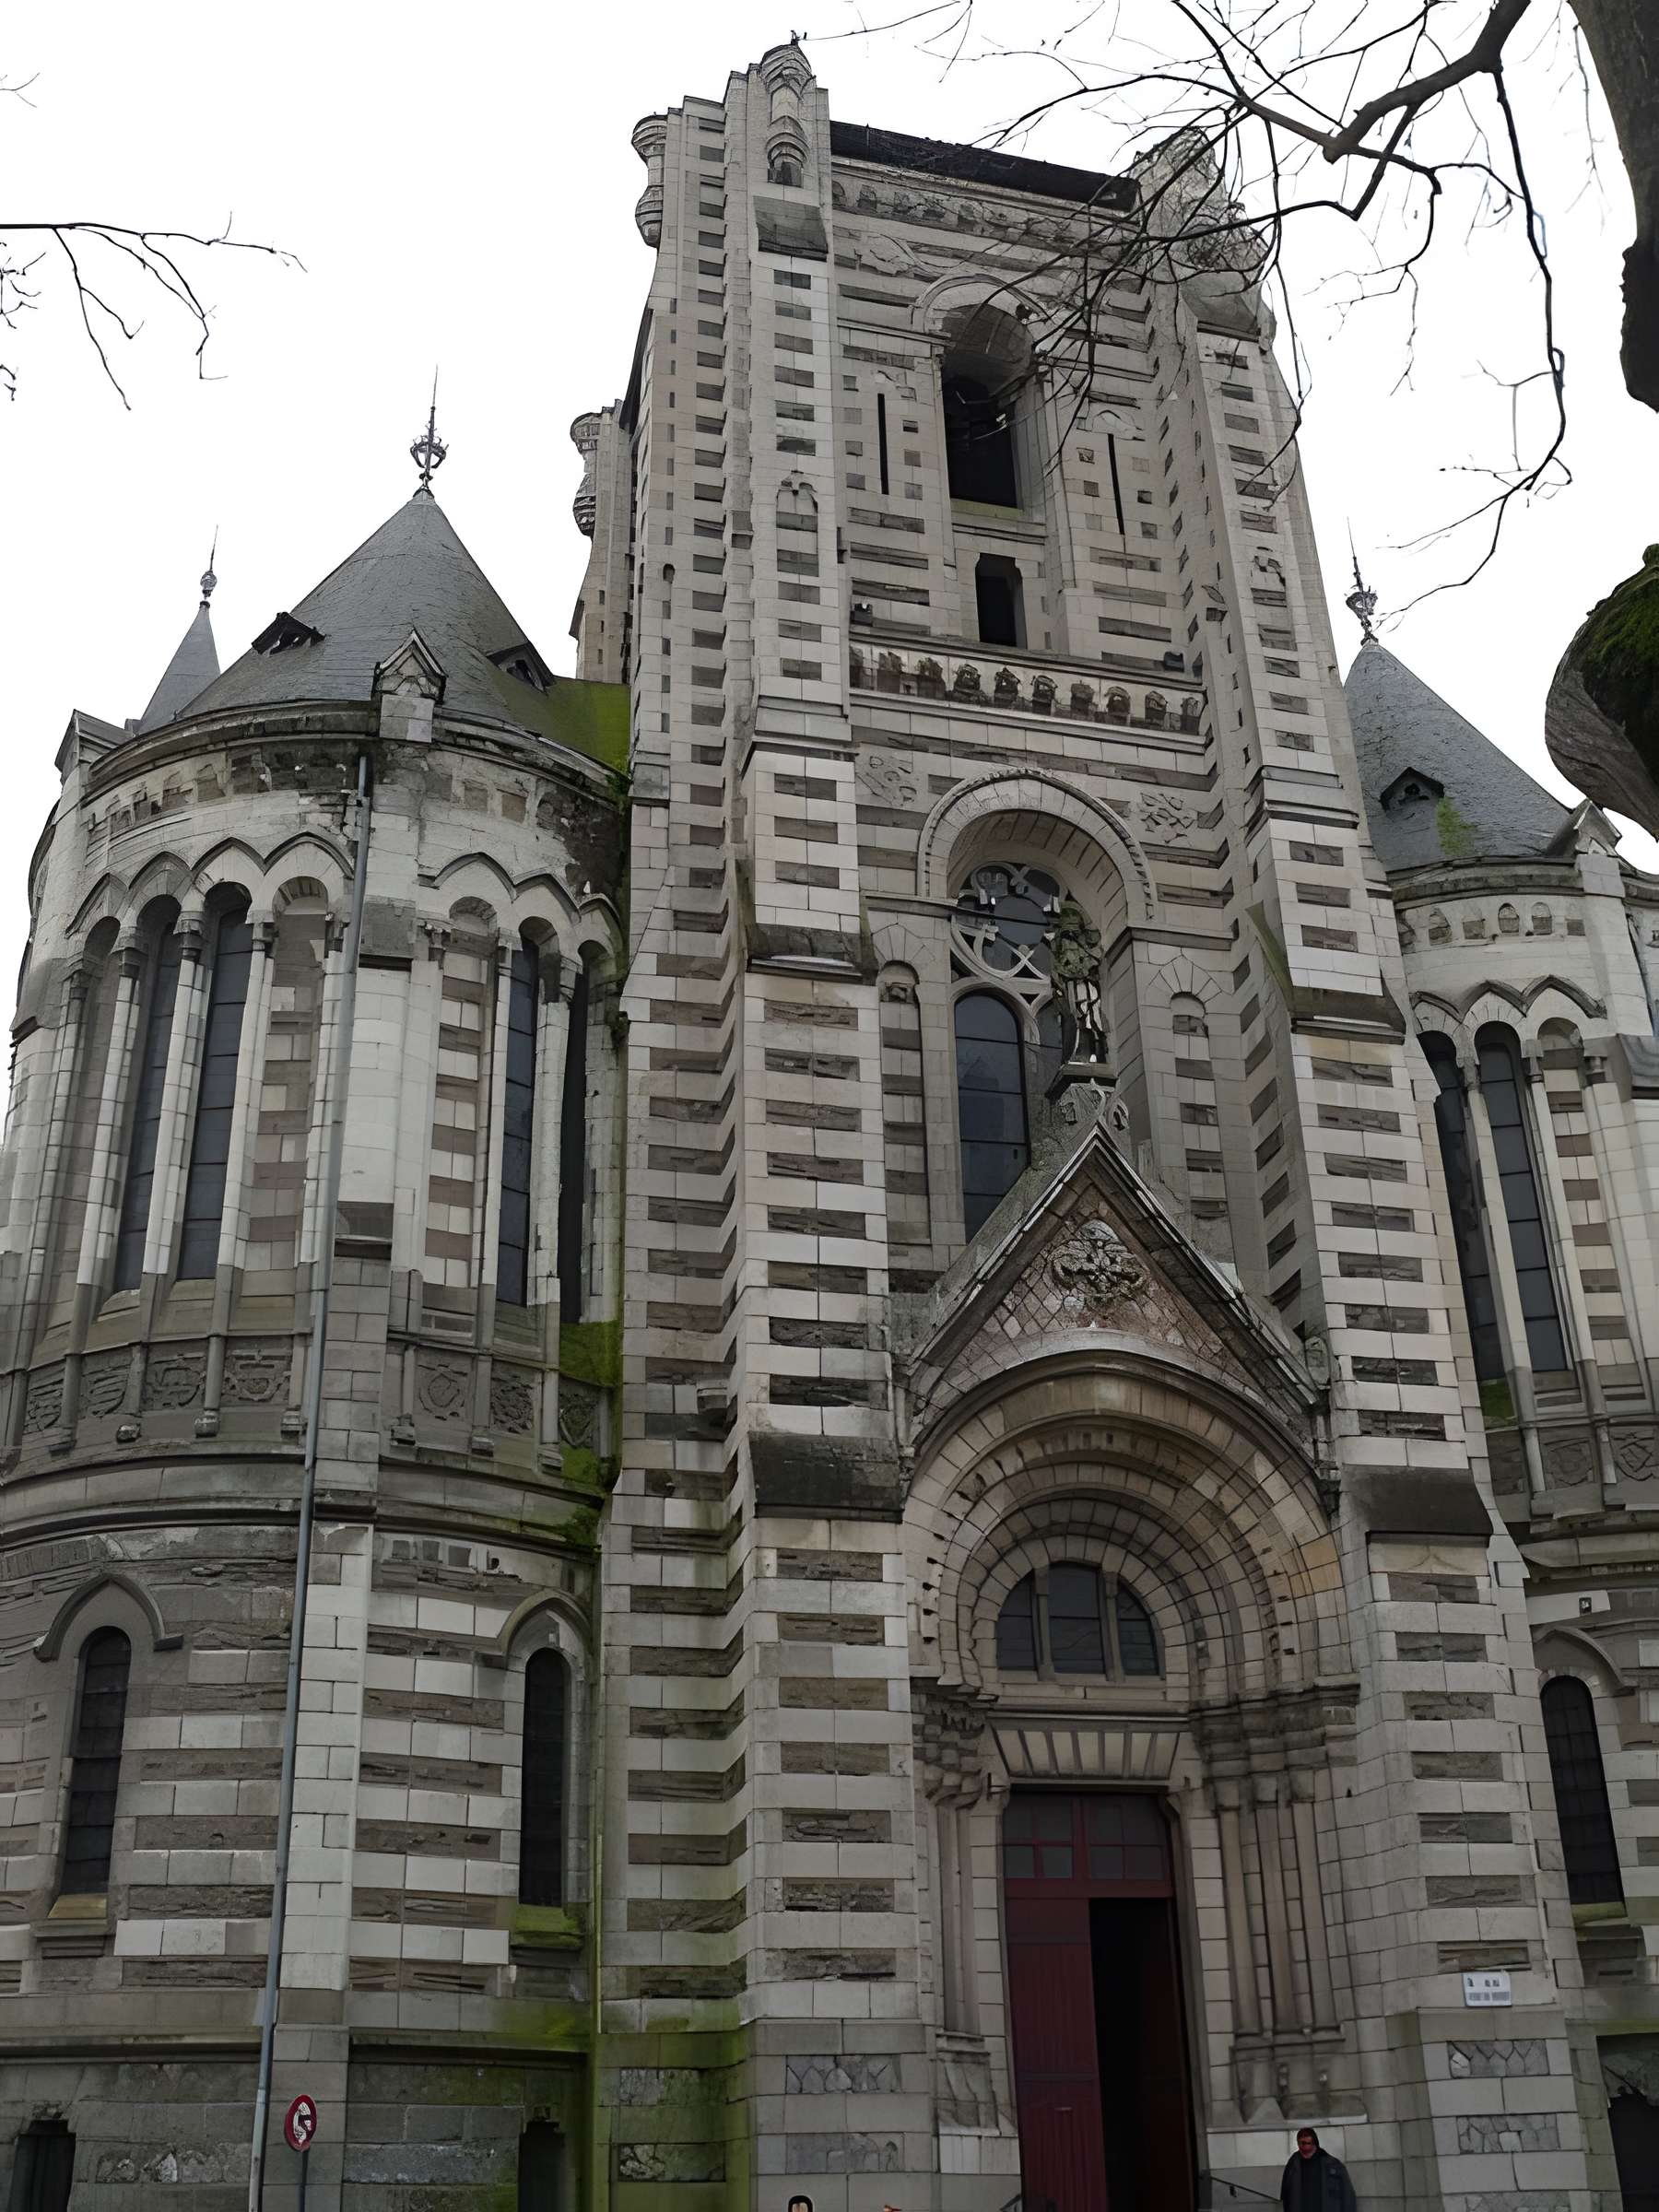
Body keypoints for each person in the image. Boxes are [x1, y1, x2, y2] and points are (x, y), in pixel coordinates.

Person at [1280, 2127, 1358, 2212]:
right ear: (1298, 2144)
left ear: (1315, 2143)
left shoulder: (1333, 2165)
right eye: (1302, 2142)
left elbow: (1348, 2196)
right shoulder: (1292, 2166)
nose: (1304, 2144)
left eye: (1307, 2142)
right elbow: (1285, 2197)